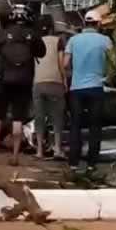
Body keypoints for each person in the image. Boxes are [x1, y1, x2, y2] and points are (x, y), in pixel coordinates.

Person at [0, 3, 45, 170]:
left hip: (3, 80)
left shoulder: (4, 33)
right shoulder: (33, 35)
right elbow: (42, 52)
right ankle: (15, 156)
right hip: (24, 81)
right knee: (18, 118)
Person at [64, 9, 113, 172]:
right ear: (99, 24)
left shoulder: (73, 40)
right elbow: (114, 63)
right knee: (94, 126)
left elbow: (65, 64)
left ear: (84, 23)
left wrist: (73, 73)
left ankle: (73, 163)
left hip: (76, 88)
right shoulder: (105, 40)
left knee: (76, 125)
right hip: (96, 87)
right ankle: (92, 164)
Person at [32, 27, 68, 160]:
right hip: (55, 82)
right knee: (57, 117)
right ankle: (57, 149)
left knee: (39, 117)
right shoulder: (58, 41)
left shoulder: (35, 41)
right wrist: (64, 80)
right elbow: (60, 63)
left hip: (38, 83)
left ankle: (40, 151)